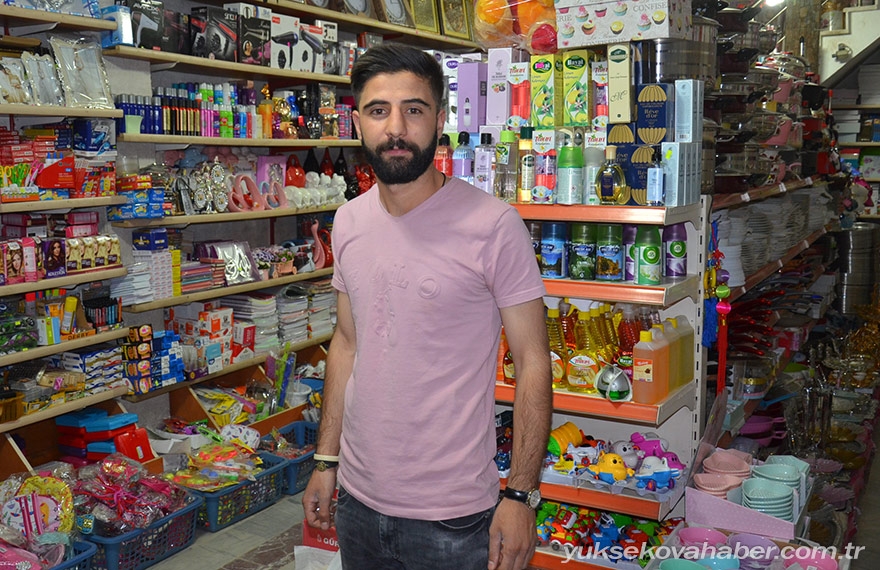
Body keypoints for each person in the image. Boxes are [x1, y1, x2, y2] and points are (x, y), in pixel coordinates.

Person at [302, 43, 552, 570]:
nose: (396, 128)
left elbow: (533, 361)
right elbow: (346, 343)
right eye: (378, 110)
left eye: (413, 110)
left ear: (440, 121)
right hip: (357, 501)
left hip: (454, 517)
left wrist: (520, 494)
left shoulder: (494, 226)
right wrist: (326, 460)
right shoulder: (348, 221)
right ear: (357, 123)